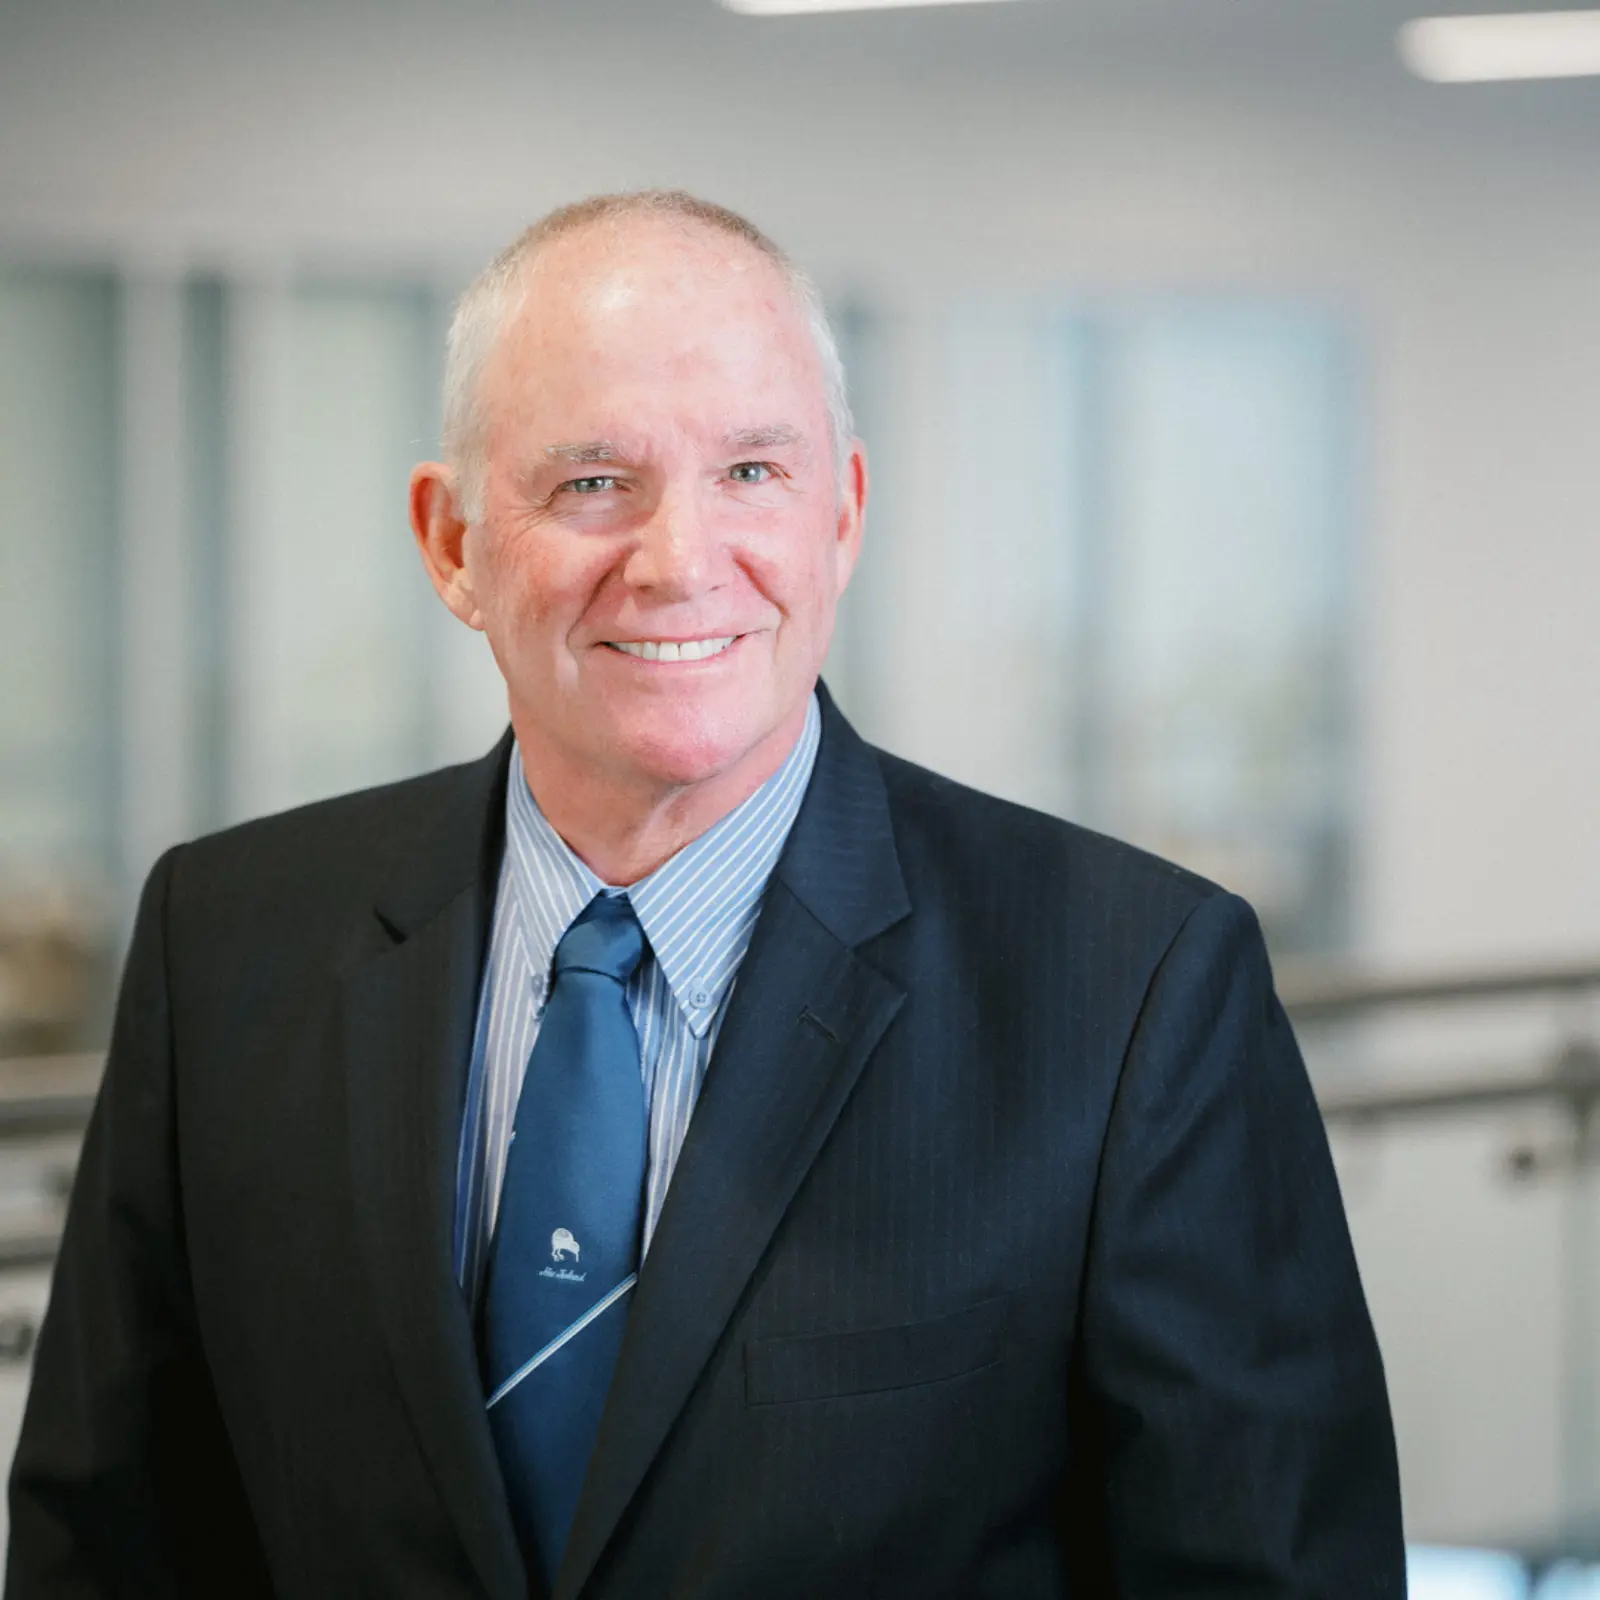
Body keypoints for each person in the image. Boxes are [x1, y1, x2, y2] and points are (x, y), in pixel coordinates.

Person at [6, 190, 1405, 1599]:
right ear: (451, 543)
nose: (679, 563)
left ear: (841, 514)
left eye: (750, 471)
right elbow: (105, 1547)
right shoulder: (224, 943)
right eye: (591, 482)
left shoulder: (1133, 989)